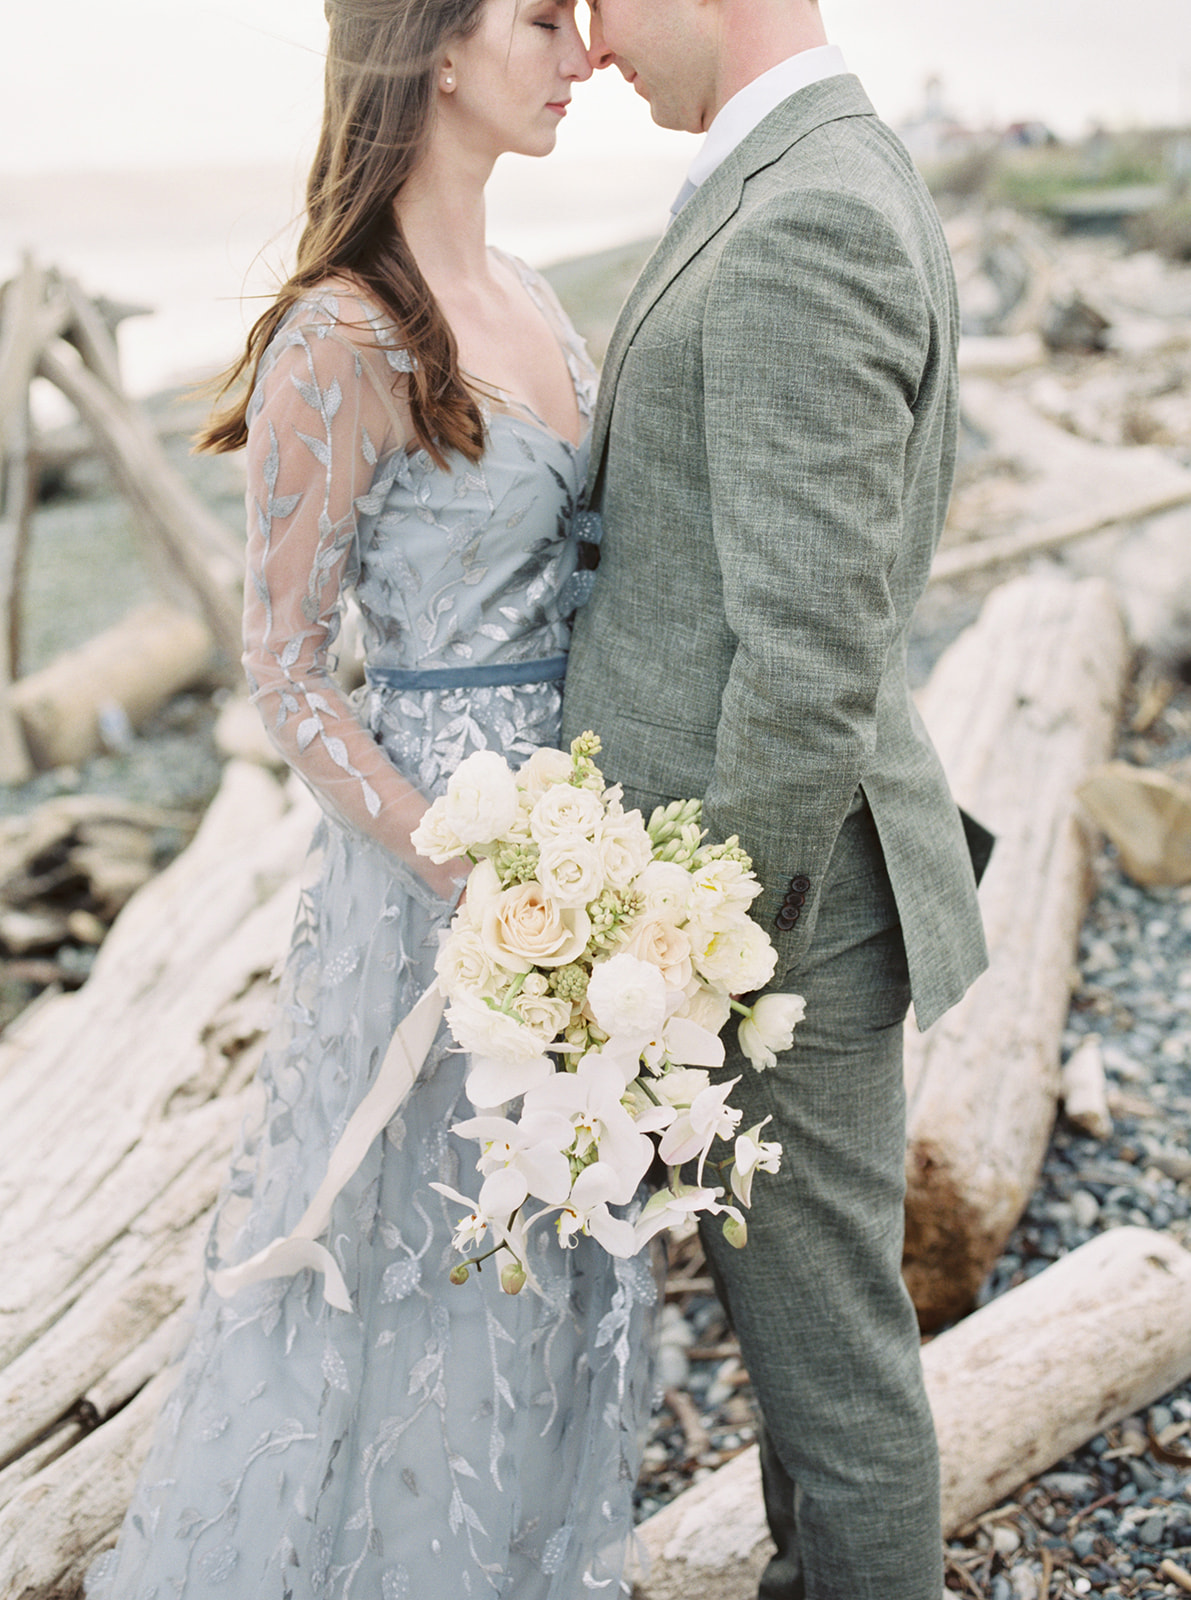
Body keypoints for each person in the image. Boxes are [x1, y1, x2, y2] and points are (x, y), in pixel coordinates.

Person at [86, 4, 659, 1597]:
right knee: (420, 1258)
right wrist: (454, 868)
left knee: (558, 1245)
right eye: (542, 18)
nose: (581, 50)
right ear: (435, 48)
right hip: (432, 892)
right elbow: (285, 668)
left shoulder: (540, 300)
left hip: (591, 864)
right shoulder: (342, 336)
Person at [561, 2, 990, 1597]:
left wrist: (691, 954)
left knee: (837, 1386)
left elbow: (808, 665)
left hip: (772, 925)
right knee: (810, 1373)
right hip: (765, 898)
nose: (594, 44)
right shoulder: (803, 174)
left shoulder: (810, 213)